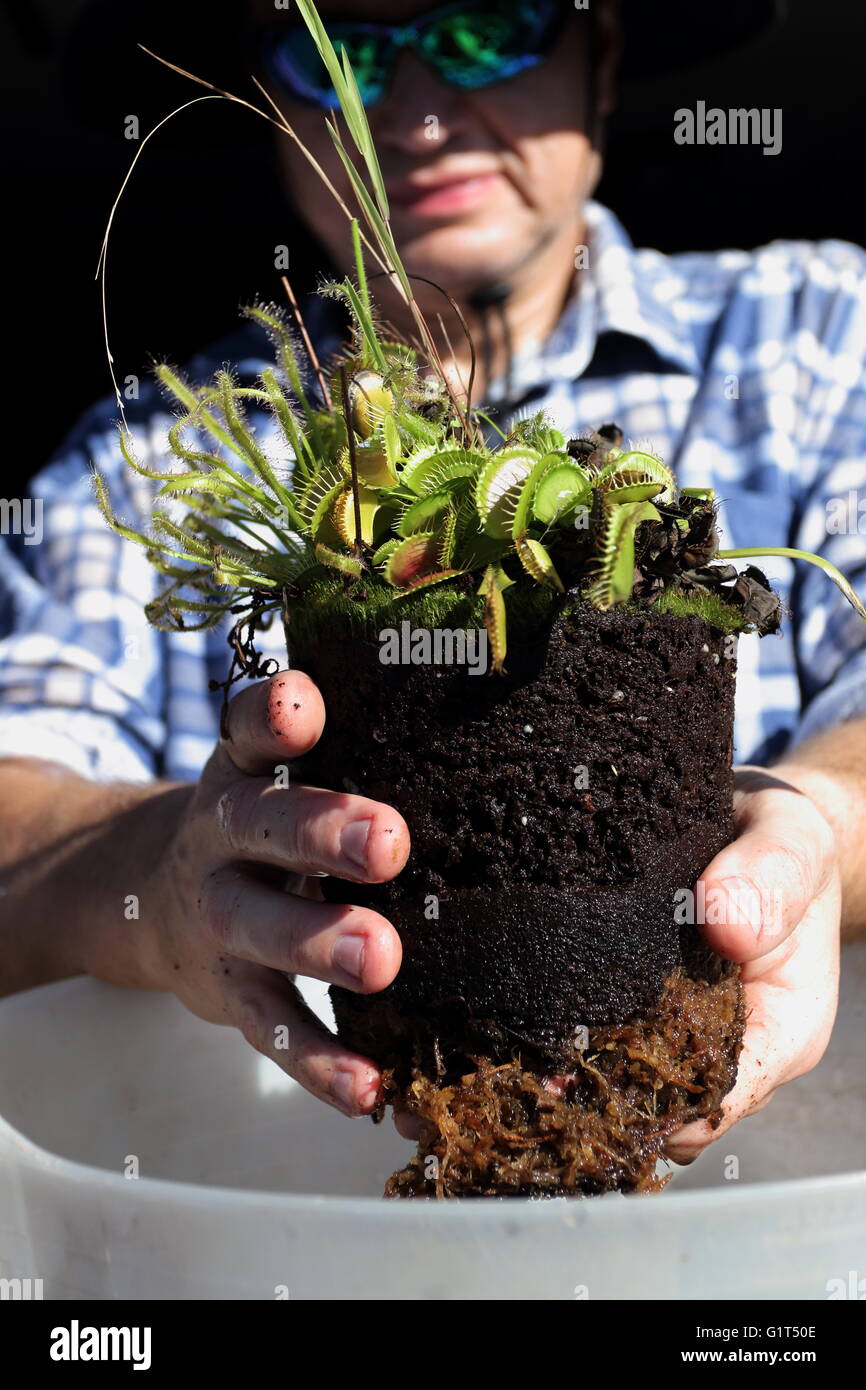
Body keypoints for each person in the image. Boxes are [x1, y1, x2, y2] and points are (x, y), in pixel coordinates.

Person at [1, 0, 864, 1165]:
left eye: (486, 28)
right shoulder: (161, 454)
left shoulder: (817, 330)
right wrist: (166, 872)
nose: (409, 111)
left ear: (601, 51)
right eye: (337, 52)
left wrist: (820, 833)